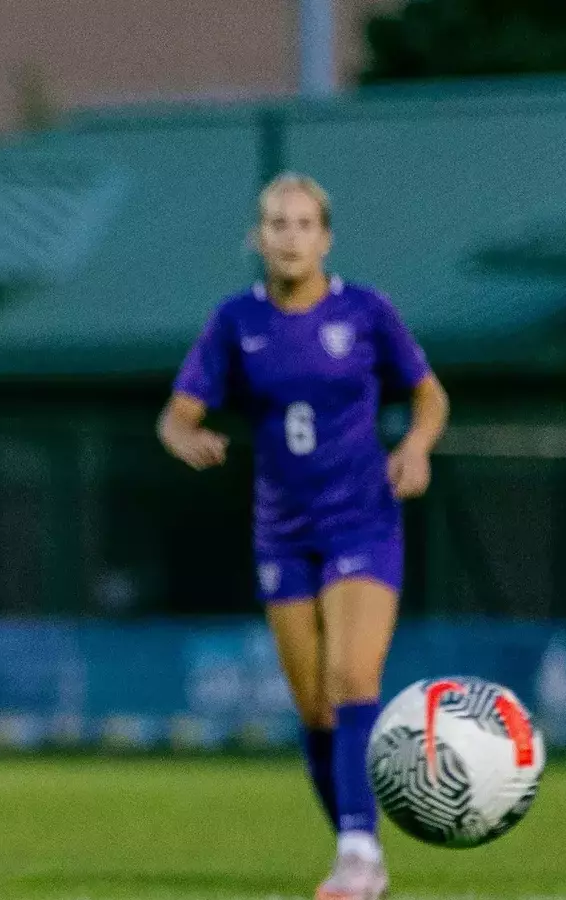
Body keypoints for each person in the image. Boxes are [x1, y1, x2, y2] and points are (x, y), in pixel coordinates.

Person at [157, 173, 449, 900]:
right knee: (316, 707)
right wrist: (187, 438)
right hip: (282, 534)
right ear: (256, 238)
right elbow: (176, 415)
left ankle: (358, 853)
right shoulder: (236, 322)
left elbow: (429, 394)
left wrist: (416, 446)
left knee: (353, 679)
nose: (290, 237)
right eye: (276, 224)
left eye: (304, 224)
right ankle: (358, 844)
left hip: (362, 520)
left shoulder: (366, 311)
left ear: (326, 238)